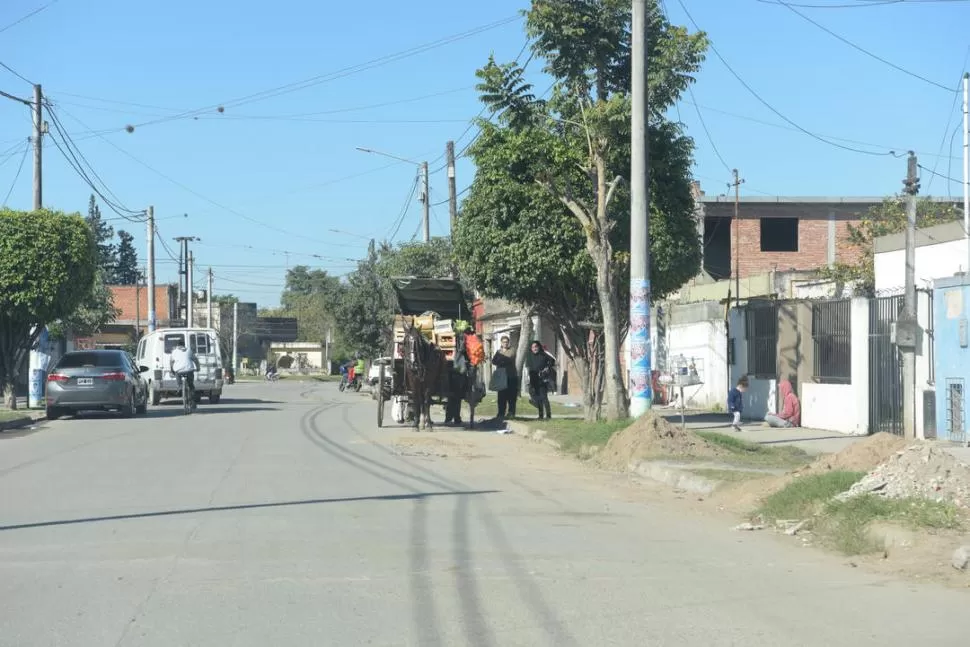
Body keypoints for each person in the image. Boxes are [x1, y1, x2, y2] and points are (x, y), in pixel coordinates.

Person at [526, 340, 555, 420]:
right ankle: (540, 415)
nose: (534, 348)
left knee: (544, 397)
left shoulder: (543, 354)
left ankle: (548, 415)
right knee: (537, 398)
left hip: (542, 379)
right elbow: (528, 368)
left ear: (538, 347)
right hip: (533, 379)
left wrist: (547, 368)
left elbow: (552, 361)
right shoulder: (529, 356)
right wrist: (528, 378)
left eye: (536, 347)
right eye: (533, 347)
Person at [491, 335, 518, 418]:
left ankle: (511, 412)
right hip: (501, 377)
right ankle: (501, 413)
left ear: (508, 343)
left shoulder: (512, 350)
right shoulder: (498, 351)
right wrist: (501, 360)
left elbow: (509, 359)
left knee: (511, 396)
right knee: (501, 396)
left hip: (511, 376)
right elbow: (494, 361)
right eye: (503, 342)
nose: (505, 343)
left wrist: (500, 361)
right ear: (501, 343)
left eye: (506, 342)